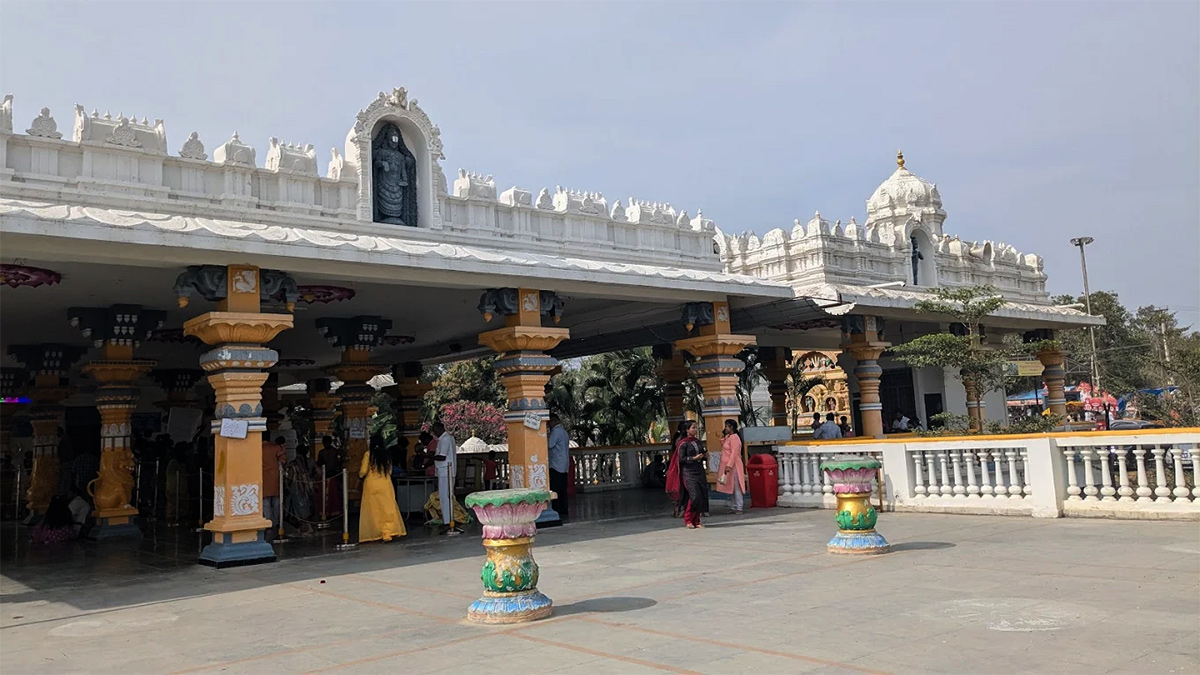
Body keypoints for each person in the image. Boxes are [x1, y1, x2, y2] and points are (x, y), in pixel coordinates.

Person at [357, 439, 406, 543]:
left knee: (373, 510)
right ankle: (387, 533)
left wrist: (360, 476)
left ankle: (376, 533)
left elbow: (363, 471)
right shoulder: (387, 455)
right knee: (388, 509)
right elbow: (390, 471)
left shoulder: (368, 454)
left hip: (371, 485)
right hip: (385, 484)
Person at [675, 421, 708, 529]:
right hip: (688, 472)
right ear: (687, 430)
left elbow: (702, 454)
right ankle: (688, 519)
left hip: (699, 470)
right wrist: (693, 458)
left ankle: (697, 520)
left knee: (700, 495)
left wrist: (704, 456)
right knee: (694, 495)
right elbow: (681, 459)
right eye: (693, 428)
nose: (695, 429)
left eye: (696, 427)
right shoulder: (683, 443)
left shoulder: (698, 442)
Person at [432, 422, 461, 535]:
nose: (434, 433)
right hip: (444, 471)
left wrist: (428, 456)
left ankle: (448, 522)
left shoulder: (445, 439)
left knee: (445, 497)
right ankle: (448, 521)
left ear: (440, 428)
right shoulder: (446, 439)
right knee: (446, 496)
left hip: (446, 471)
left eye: (435, 430)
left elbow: (442, 456)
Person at [716, 419, 746, 514]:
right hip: (728, 465)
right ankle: (734, 506)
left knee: (736, 486)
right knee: (731, 486)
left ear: (731, 427)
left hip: (734, 465)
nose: (725, 428)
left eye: (727, 426)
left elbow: (734, 453)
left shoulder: (735, 438)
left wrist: (729, 465)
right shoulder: (729, 437)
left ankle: (739, 506)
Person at [261, 435, 287, 534]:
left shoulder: (257, 448)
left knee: (265, 503)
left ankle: (269, 521)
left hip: (263, 478)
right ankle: (277, 521)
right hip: (275, 477)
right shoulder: (275, 447)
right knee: (277, 501)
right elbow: (283, 460)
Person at [547, 414, 570, 521]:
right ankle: (564, 508)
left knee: (555, 488)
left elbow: (550, 445)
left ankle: (557, 508)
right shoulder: (564, 432)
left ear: (553, 421)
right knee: (563, 489)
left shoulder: (555, 432)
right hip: (564, 464)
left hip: (556, 464)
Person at [316, 435, 342, 518]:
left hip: (332, 475)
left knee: (332, 495)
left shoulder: (334, 452)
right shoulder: (327, 452)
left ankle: (332, 512)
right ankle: (327, 512)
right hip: (327, 475)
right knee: (329, 495)